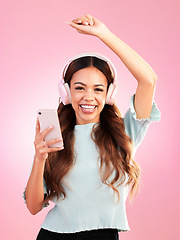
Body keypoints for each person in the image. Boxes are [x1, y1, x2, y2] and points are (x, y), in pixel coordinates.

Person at [23, 14, 161, 240]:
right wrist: (39, 159)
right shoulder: (55, 137)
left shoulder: (124, 133)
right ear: (66, 92)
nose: (89, 97)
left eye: (98, 89)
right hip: (53, 235)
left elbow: (148, 80)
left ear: (109, 94)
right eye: (79, 88)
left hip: (103, 235)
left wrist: (102, 34)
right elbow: (33, 206)